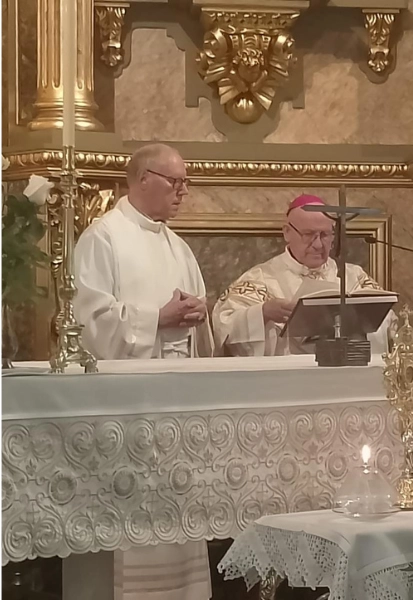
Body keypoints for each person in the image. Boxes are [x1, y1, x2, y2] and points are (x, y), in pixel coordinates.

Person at [74, 143, 212, 600]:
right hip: (126, 408)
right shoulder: (103, 237)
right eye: (175, 183)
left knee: (178, 521)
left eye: (186, 183)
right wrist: (158, 318)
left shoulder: (177, 244)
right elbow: (90, 321)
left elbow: (195, 316)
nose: (183, 192)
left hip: (176, 404)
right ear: (141, 179)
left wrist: (198, 311)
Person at [212, 194, 394, 356]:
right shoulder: (260, 278)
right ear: (287, 233)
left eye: (324, 235)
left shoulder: (354, 276)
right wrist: (263, 313)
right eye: (308, 235)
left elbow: (388, 323)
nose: (318, 244)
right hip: (287, 382)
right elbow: (224, 324)